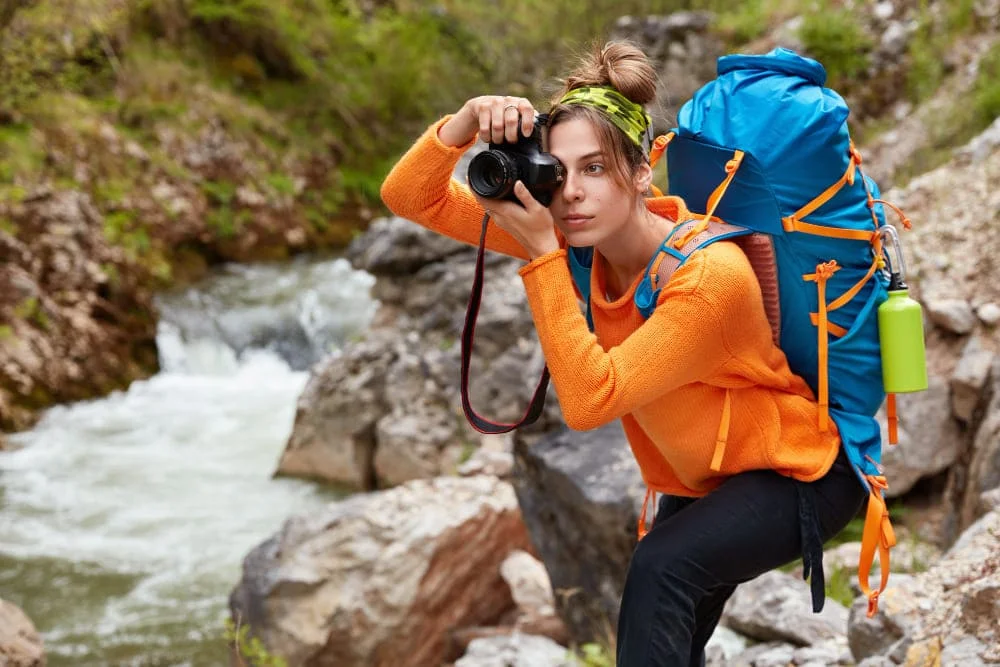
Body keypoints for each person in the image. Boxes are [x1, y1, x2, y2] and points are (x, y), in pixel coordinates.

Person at [380, 41, 865, 667]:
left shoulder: (707, 276)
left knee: (662, 572)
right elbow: (410, 197)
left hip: (796, 471)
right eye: (558, 172)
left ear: (641, 173)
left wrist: (542, 259)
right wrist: (468, 120)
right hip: (708, 475)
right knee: (664, 628)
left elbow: (589, 400)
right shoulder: (581, 241)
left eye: (596, 169)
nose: (573, 194)